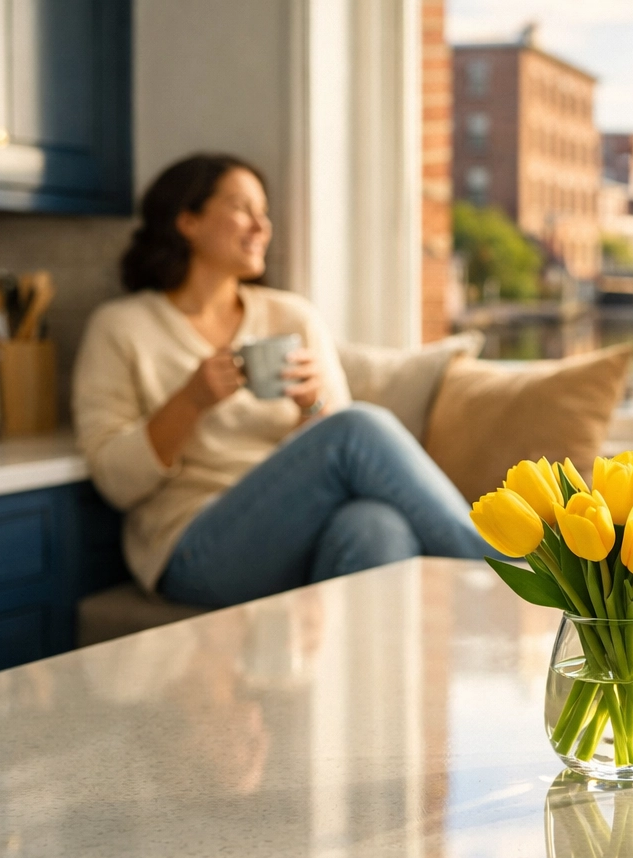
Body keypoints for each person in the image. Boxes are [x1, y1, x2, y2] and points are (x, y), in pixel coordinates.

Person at [73, 153, 492, 607]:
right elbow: (113, 479)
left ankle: (365, 675)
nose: (261, 226)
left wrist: (311, 409)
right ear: (188, 221)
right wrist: (190, 402)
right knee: (356, 428)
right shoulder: (120, 327)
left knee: (374, 525)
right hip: (194, 547)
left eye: (263, 211)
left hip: (298, 532)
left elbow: (340, 457)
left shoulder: (290, 316)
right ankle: (504, 580)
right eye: (241, 208)